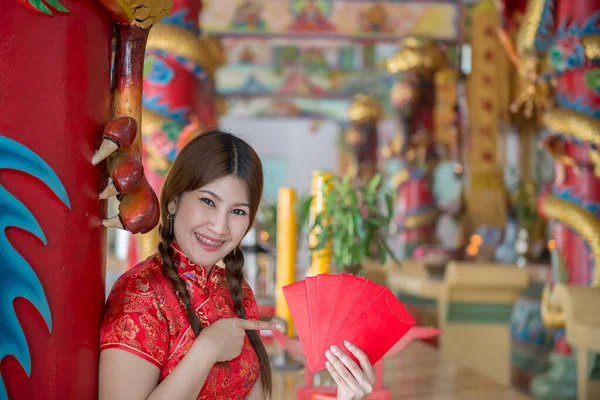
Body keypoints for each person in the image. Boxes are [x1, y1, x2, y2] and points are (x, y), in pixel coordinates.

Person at [98, 131, 376, 400]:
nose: (219, 226)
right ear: (173, 201)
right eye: (208, 201)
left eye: (238, 211)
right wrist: (206, 350)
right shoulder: (140, 295)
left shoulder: (236, 292)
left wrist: (346, 397)